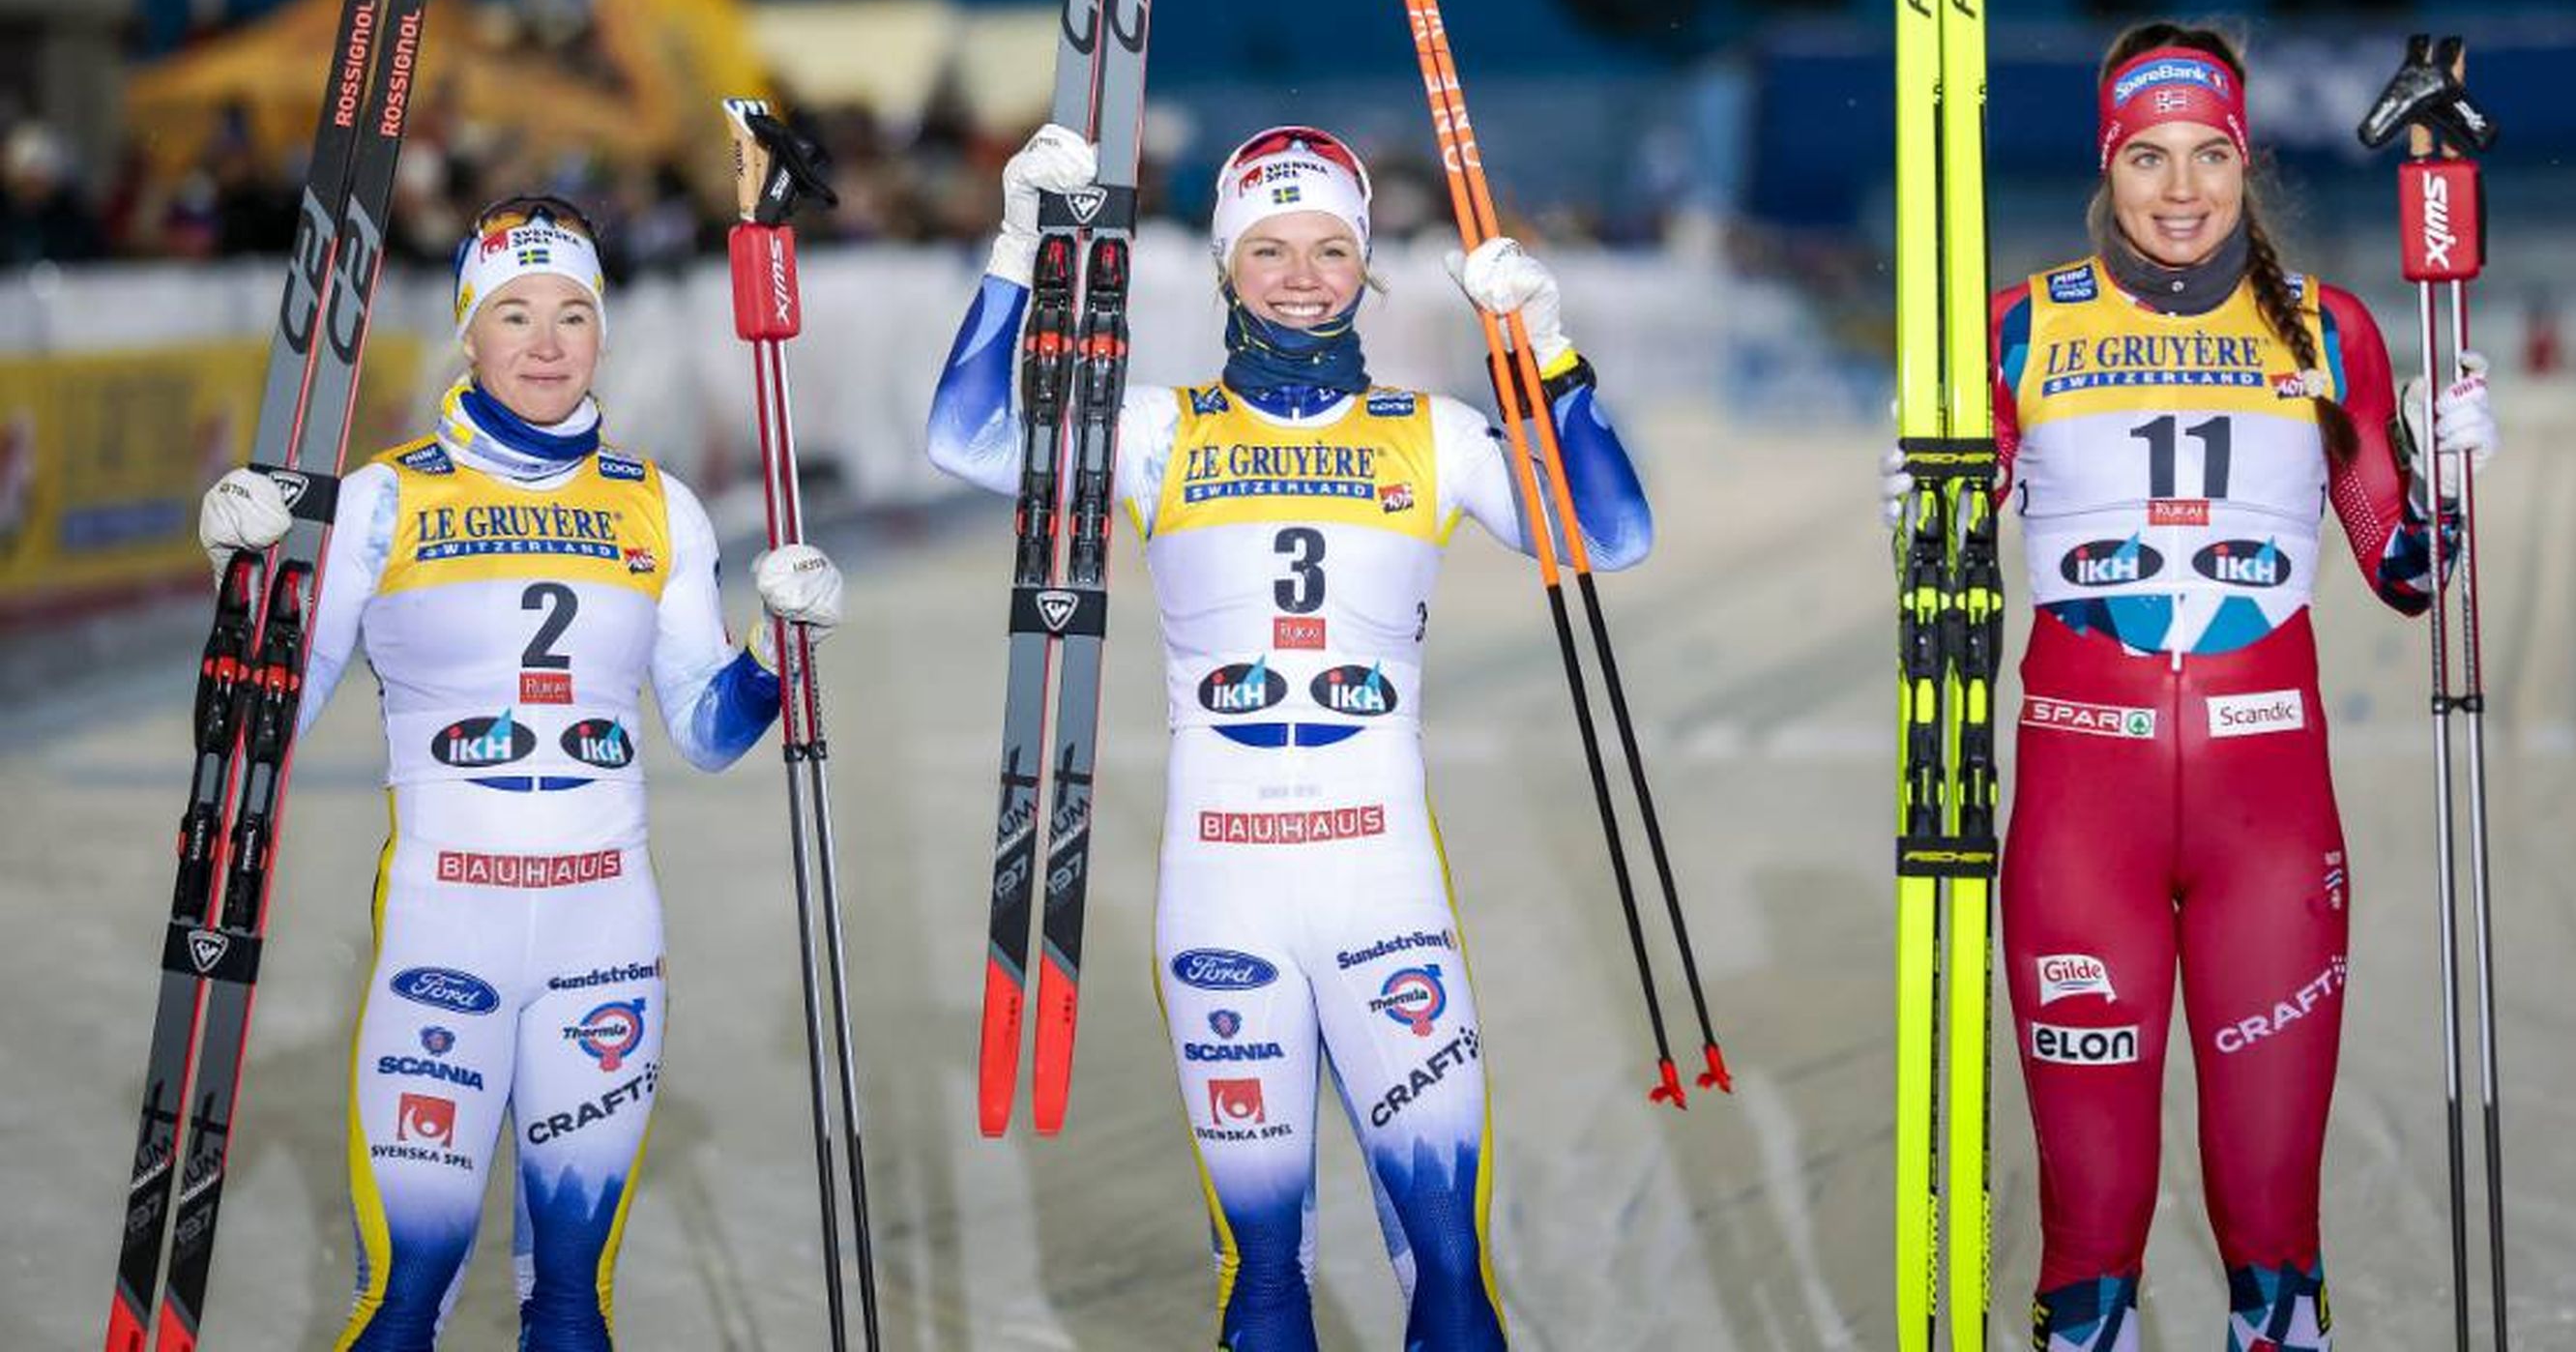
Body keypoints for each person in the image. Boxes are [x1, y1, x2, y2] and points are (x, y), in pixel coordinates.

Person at [929, 126, 1654, 1351]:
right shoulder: (1159, 430)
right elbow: (966, 440)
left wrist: (1547, 349)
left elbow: (1610, 534)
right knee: (1265, 1279)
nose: (1302, 274)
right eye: (1268, 248)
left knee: (1454, 1275)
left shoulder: (1433, 434)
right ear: (1223, 267)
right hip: (1226, 896)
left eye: (1330, 248)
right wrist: (1016, 252)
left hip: (1383, 890)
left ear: (1367, 266)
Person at [1884, 26, 2499, 1352]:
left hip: (2267, 829)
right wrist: (1920, 497)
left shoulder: (2324, 331)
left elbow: (2401, 568)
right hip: (2076, 827)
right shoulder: (2022, 328)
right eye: (2150, 156)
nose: (2182, 188)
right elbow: (1942, 563)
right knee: (2091, 1240)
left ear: (2243, 161)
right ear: (2110, 167)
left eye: (2211, 154)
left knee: (2275, 1239)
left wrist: (2443, 479)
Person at [196, 196, 843, 1349]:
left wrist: (775, 650)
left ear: (603, 330)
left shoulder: (659, 504)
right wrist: (242, 591)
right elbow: (263, 736)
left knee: (572, 1299)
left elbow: (704, 731)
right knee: (406, 1294)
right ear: (467, 331)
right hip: (448, 927)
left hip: (607, 934)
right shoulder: (383, 500)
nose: (546, 345)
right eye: (514, 315)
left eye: (572, 314)